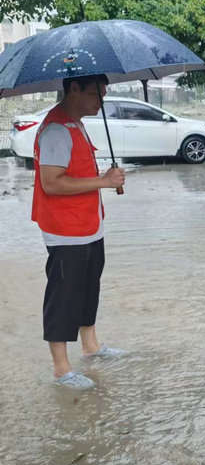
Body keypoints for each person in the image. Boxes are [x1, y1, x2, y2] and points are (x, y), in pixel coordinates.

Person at [32, 74, 126, 390]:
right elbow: (51, 182)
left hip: (88, 225)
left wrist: (104, 178)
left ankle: (90, 345)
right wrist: (103, 181)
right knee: (64, 293)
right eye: (97, 94)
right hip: (65, 229)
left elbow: (77, 173)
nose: (102, 101)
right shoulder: (57, 129)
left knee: (88, 286)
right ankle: (61, 368)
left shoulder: (76, 124)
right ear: (75, 89)